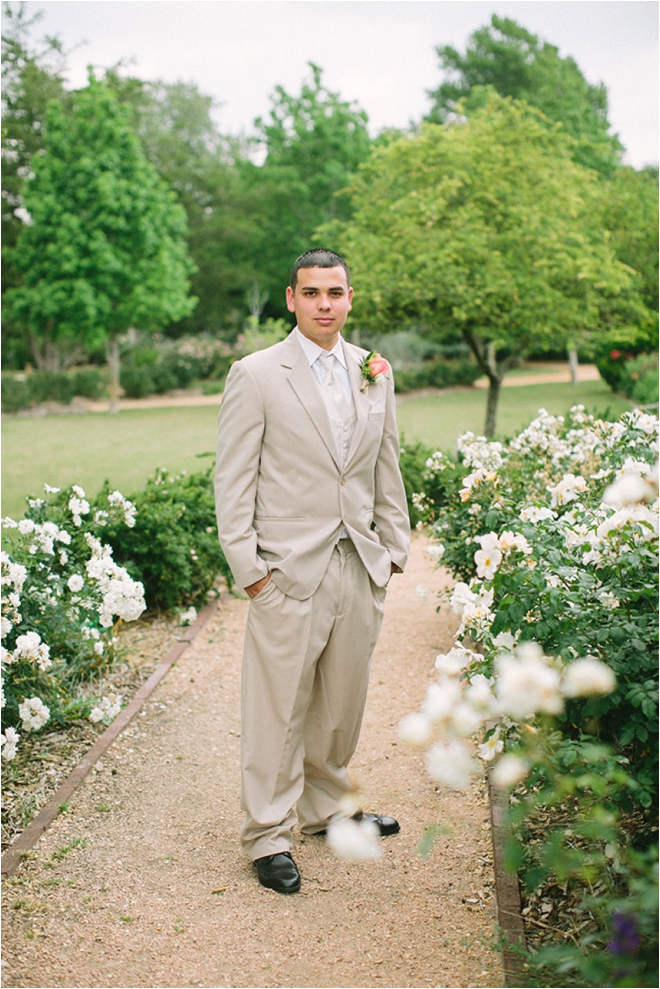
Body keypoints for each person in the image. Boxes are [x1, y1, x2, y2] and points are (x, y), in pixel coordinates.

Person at [214, 248, 411, 894]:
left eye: (336, 292)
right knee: (278, 707)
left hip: (359, 562)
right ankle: (268, 833)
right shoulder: (256, 373)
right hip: (287, 571)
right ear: (291, 298)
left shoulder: (374, 371)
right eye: (312, 292)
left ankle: (326, 806)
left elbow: (387, 464)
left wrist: (394, 549)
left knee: (340, 704)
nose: (325, 303)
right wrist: (251, 570)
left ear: (351, 298)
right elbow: (234, 478)